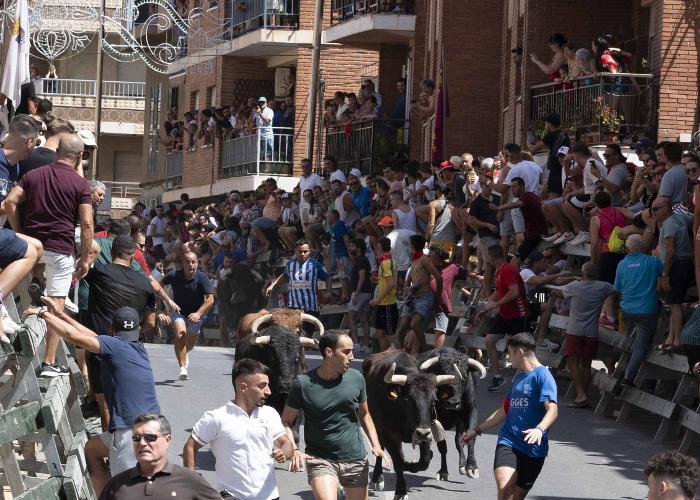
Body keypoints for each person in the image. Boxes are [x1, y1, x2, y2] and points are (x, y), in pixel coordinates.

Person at [24, 300, 160, 495]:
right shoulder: (136, 348)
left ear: (112, 328)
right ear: (138, 330)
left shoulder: (114, 345)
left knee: (130, 493)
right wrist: (61, 315)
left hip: (131, 432)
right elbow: (90, 336)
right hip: (153, 427)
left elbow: (73, 336)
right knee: (92, 450)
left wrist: (43, 314)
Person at [4, 133, 93, 378]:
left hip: (32, 247)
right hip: (61, 249)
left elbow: (10, 202)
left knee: (23, 278)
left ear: (56, 152)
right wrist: (85, 259)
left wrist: (18, 232)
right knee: (57, 305)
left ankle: (36, 279)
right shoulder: (80, 184)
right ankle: (49, 362)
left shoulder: (33, 175)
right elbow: (86, 224)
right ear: (80, 156)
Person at [282, 332, 384, 500]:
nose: (352, 357)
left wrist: (376, 445)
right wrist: (293, 449)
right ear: (329, 352)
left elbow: (364, 414)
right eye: (346, 352)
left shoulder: (356, 379)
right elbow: (286, 421)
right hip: (320, 458)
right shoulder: (302, 384)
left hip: (354, 458)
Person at [461, 333, 558, 500]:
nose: (507, 357)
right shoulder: (519, 376)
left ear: (520, 352)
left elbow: (553, 410)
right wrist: (477, 430)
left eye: (509, 353)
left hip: (534, 449)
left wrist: (539, 429)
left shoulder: (543, 376)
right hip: (509, 441)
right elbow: (505, 410)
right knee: (504, 487)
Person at [184, 359, 294, 500]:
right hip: (232, 496)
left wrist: (283, 452)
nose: (269, 392)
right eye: (262, 386)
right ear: (243, 388)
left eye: (268, 385)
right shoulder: (217, 417)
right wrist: (192, 485)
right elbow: (190, 447)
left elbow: (286, 443)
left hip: (270, 496)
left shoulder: (270, 414)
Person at [98, 413, 220, 500]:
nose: (142, 443)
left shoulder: (190, 480)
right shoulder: (116, 485)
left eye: (150, 437)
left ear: (167, 440)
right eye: (136, 438)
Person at [551, 262, 616, 407]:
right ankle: (583, 395)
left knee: (572, 361)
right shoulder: (604, 287)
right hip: (591, 332)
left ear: (583, 273)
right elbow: (616, 290)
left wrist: (560, 286)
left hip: (575, 330)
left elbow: (558, 292)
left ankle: (580, 394)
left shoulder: (575, 286)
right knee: (586, 364)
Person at [614, 234, 663, 385]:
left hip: (627, 308)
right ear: (644, 247)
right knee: (641, 344)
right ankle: (628, 377)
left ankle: (621, 372)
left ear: (628, 248)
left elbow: (617, 288)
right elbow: (665, 274)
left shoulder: (622, 264)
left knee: (632, 341)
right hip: (646, 309)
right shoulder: (652, 261)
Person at [160, 251, 214, 381]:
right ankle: (183, 368)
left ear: (197, 263)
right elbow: (158, 286)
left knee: (188, 345)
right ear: (182, 264)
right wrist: (168, 301)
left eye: (193, 262)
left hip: (196, 315)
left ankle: (184, 353)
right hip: (178, 312)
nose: (190, 264)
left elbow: (210, 300)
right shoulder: (174, 275)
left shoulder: (202, 278)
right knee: (180, 335)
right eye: (187, 262)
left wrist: (198, 313)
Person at [484, 245, 530, 392]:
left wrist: (495, 304)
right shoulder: (499, 271)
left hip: (518, 314)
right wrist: (486, 306)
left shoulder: (508, 269)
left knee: (521, 348)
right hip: (504, 314)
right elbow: (499, 291)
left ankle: (529, 379)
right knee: (489, 340)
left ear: (491, 258)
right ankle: (497, 376)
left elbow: (514, 292)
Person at [652, 196, 693, 352]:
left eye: (656, 209)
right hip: (684, 263)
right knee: (672, 302)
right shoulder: (680, 217)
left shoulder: (669, 224)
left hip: (677, 265)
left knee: (675, 305)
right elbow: (692, 217)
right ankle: (670, 338)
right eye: (653, 209)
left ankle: (676, 340)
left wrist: (665, 274)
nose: (653, 212)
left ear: (666, 209)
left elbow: (670, 250)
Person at [397, 234, 442, 353]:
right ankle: (402, 352)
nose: (409, 249)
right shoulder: (414, 261)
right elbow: (407, 282)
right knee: (401, 329)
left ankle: (424, 349)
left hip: (424, 297)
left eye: (411, 246)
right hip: (412, 297)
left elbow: (438, 277)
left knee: (414, 324)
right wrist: (407, 288)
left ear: (414, 247)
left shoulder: (424, 260)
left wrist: (438, 295)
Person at [266, 239, 331, 319]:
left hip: (310, 307)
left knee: (308, 330)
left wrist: (329, 292)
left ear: (309, 251)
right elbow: (285, 276)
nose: (302, 254)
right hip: (293, 307)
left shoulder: (315, 265)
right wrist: (272, 286)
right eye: (300, 251)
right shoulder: (290, 264)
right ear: (295, 251)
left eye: (305, 251)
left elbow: (327, 278)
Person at [496, 176, 546, 268]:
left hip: (534, 235)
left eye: (514, 187)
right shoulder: (530, 195)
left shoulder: (527, 197)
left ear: (522, 187)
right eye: (511, 187)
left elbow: (515, 204)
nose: (512, 190)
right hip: (532, 235)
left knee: (514, 263)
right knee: (516, 260)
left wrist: (499, 208)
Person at [528, 113, 569, 197]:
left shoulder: (550, 136)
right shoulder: (565, 135)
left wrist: (527, 141)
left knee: (552, 195)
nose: (545, 125)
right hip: (564, 168)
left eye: (546, 123)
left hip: (554, 169)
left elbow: (533, 148)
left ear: (550, 124)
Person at [369, 237, 398, 350]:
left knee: (390, 335)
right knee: (380, 333)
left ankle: (400, 358)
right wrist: (378, 280)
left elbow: (391, 284)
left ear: (379, 247)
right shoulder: (385, 261)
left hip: (388, 304)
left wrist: (378, 299)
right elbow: (389, 281)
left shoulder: (386, 263)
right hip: (383, 304)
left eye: (377, 246)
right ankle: (384, 357)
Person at [347, 238, 372, 352]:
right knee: (364, 319)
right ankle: (366, 346)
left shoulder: (361, 260)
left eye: (352, 246)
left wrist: (356, 293)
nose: (350, 248)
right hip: (366, 292)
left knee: (351, 318)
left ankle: (356, 343)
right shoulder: (361, 260)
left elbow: (362, 277)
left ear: (359, 248)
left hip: (360, 293)